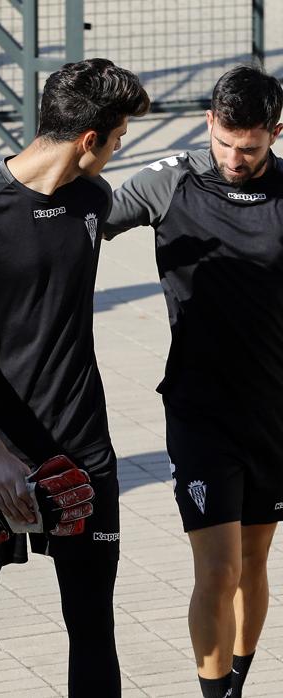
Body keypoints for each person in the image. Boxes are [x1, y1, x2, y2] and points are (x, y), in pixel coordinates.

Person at [0, 58, 149, 697]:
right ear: (89, 141)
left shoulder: (92, 199)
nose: (118, 148)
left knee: (92, 621)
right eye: (119, 136)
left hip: (80, 444)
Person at [103, 65, 283, 698]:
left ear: (275, 133)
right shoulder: (169, 181)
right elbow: (85, 219)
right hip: (200, 410)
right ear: (210, 122)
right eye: (226, 142)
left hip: (275, 416)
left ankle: (236, 680)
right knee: (218, 568)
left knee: (255, 563)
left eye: (251, 148)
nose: (236, 158)